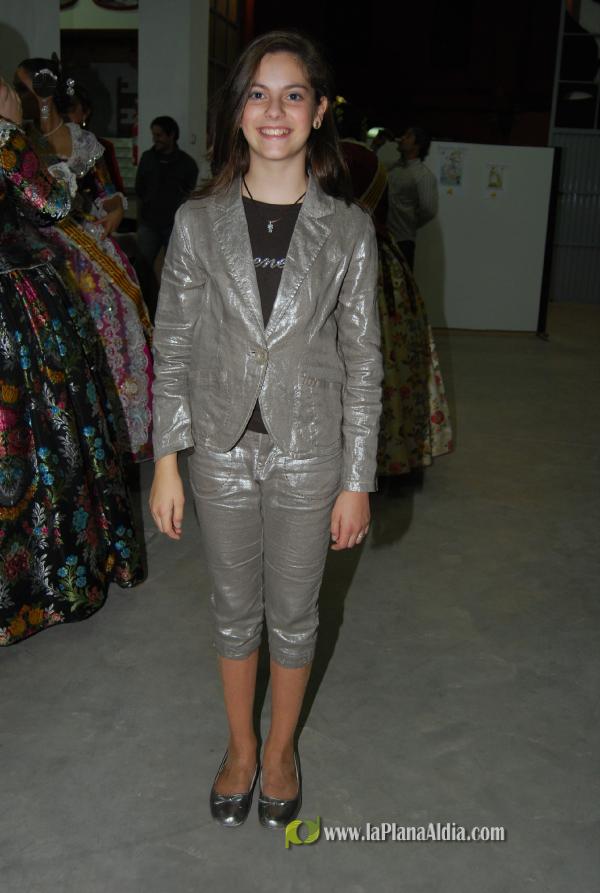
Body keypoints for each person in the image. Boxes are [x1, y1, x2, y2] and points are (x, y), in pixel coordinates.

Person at [149, 30, 383, 830]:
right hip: (218, 449)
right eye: (257, 93)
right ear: (237, 111)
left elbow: (364, 362)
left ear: (318, 112)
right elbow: (173, 344)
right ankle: (241, 746)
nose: (273, 110)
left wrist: (357, 478)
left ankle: (281, 750)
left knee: (294, 611)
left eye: (292, 94)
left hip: (311, 450)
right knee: (231, 608)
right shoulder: (196, 222)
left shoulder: (348, 232)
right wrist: (166, 459)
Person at [0, 78, 144, 646]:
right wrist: (36, 154)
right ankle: (49, 580)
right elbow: (52, 205)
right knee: (45, 426)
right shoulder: (4, 138)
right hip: (16, 301)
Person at [14, 58, 153, 462]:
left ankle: (113, 432)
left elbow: (106, 193)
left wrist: (114, 209)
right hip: (30, 254)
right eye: (20, 90)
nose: (22, 97)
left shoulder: (77, 140)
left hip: (84, 250)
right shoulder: (13, 142)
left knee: (111, 326)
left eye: (28, 89)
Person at [336, 102, 453, 483]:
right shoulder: (378, 164)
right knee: (393, 358)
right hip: (386, 259)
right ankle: (398, 456)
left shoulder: (336, 159)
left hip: (349, 258)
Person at [134, 116, 198, 320]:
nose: (156, 139)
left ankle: (173, 312)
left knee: (176, 269)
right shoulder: (148, 158)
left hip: (173, 224)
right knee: (141, 267)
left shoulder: (187, 164)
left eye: (160, 135)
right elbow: (139, 188)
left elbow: (189, 195)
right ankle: (144, 309)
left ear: (172, 135)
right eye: (154, 135)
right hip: (149, 223)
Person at [386, 125, 438, 270]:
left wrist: (408, 221)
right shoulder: (393, 168)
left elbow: (429, 210)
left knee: (402, 282)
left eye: (408, 136)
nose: (402, 138)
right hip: (382, 239)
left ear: (417, 145)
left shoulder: (423, 175)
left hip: (402, 241)